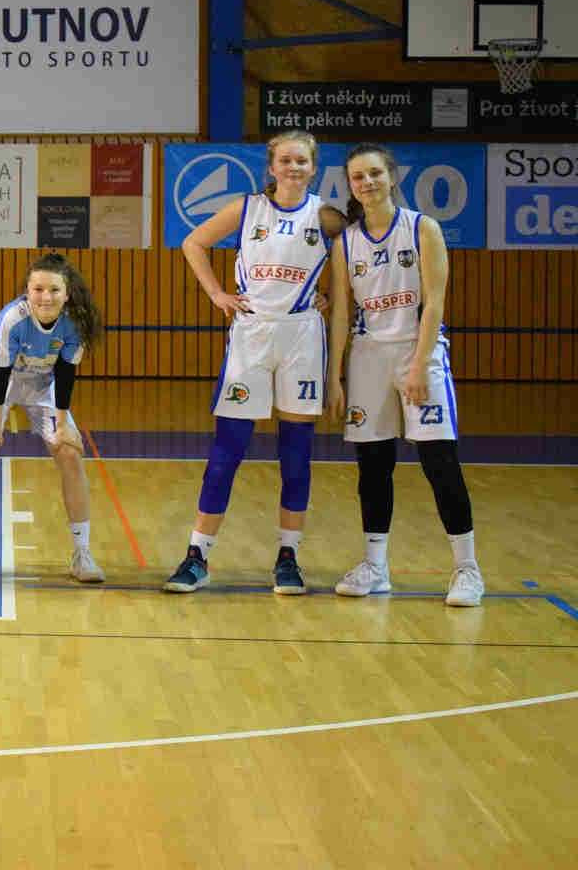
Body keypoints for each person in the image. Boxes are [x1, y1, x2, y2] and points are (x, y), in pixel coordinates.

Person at [165, 130, 344, 595]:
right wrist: (216, 293)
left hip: (302, 336)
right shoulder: (247, 208)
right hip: (252, 334)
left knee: (296, 454)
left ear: (314, 167)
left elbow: (357, 259)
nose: (293, 167)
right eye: (286, 160)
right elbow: (193, 243)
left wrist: (330, 293)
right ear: (272, 166)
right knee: (227, 450)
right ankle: (197, 555)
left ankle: (288, 557)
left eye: (302, 161)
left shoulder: (326, 216)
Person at [326, 143, 484, 607]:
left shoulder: (422, 228)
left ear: (391, 177)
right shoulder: (345, 242)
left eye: (375, 173)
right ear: (350, 185)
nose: (367, 182)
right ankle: (376, 566)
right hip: (367, 357)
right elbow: (341, 313)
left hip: (418, 352)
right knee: (373, 465)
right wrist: (334, 376)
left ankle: (467, 569)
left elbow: (434, 303)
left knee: (439, 461)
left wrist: (418, 364)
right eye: (358, 177)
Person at [0, 253, 106, 585]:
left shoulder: (75, 323)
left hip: (41, 379)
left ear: (67, 294)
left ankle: (82, 553)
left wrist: (62, 425)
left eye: (54, 290)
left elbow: (66, 373)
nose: (46, 297)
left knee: (69, 453)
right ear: (27, 292)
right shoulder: (12, 319)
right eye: (38, 289)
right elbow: (1, 372)